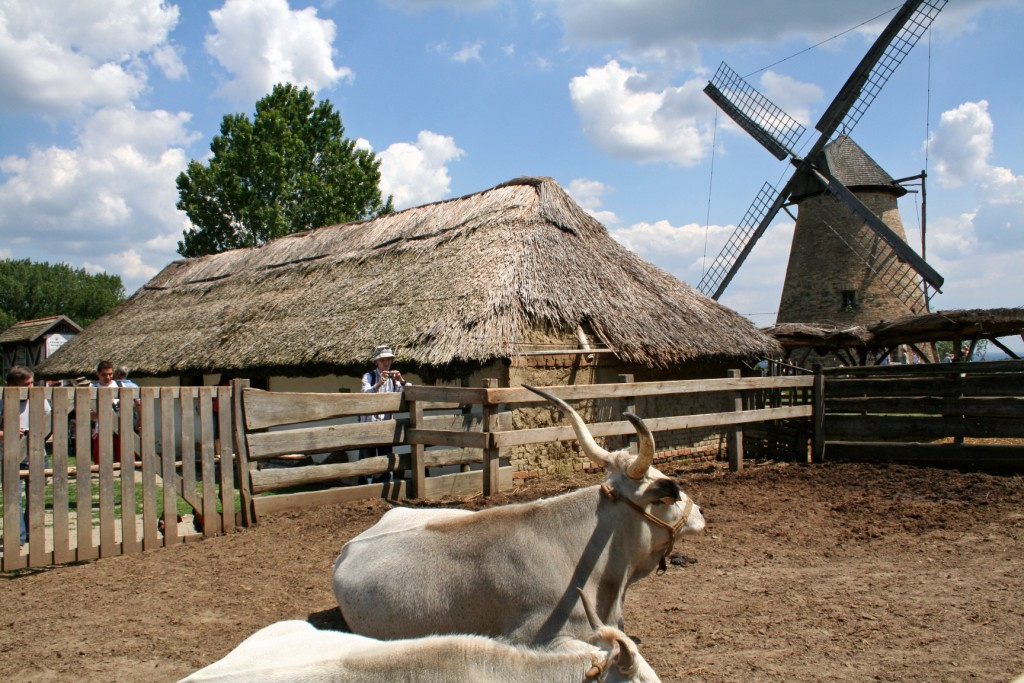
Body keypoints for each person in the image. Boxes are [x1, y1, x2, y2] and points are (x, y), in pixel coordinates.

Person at [0, 366, 51, 546]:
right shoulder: (2, 401)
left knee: (35, 497)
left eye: (32, 383)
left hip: (37, 454)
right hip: (11, 456)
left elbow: (49, 420)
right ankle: (18, 538)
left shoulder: (39, 399)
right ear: (13, 385)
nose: (31, 387)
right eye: (26, 384)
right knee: (14, 498)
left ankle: (31, 534)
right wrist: (5, 432)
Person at [358, 344, 408, 484]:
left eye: (388, 360)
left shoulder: (394, 380)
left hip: (386, 427)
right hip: (369, 428)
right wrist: (379, 383)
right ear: (377, 362)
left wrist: (401, 380)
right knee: (368, 462)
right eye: (383, 360)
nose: (386, 363)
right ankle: (365, 493)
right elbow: (364, 395)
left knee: (386, 461)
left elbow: (409, 392)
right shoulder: (368, 377)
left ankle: (382, 493)